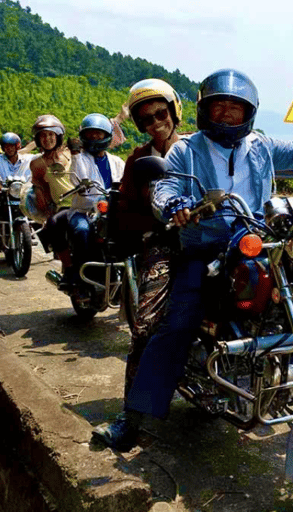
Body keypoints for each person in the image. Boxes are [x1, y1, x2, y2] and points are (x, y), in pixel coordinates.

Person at [92, 68, 293, 450]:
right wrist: (176, 205)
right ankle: (133, 417)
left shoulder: (260, 147)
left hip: (258, 242)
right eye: (219, 108)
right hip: (205, 248)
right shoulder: (186, 149)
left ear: (249, 112)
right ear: (204, 111)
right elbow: (165, 186)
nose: (227, 115)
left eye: (235, 108)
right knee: (175, 324)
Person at [117, 78, 183, 399]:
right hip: (163, 245)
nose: (156, 123)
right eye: (147, 119)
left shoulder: (197, 148)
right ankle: (133, 410)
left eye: (161, 114)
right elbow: (125, 209)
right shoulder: (137, 159)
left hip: (208, 239)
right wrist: (155, 226)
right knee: (146, 325)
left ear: (174, 110)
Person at [48, 113, 124, 288]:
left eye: (99, 133)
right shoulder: (80, 158)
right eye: (90, 134)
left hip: (110, 211)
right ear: (83, 136)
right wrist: (74, 154)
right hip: (84, 212)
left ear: (107, 136)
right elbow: (78, 179)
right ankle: (79, 276)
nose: (95, 137)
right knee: (82, 231)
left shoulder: (117, 161)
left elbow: (125, 181)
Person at [29, 114, 73, 256]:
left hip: (89, 200)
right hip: (65, 205)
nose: (47, 139)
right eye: (43, 135)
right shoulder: (37, 164)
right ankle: (67, 269)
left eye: (51, 134)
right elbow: (41, 191)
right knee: (55, 226)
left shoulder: (71, 151)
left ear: (58, 135)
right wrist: (47, 212)